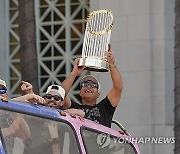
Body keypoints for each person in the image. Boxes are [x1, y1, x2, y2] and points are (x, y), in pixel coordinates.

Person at [61, 48, 123, 128]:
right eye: (85, 84)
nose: (89, 86)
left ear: (98, 94)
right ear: (80, 92)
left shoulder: (105, 108)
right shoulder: (74, 107)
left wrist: (111, 64)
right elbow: (61, 94)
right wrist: (74, 73)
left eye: (93, 85)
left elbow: (118, 88)